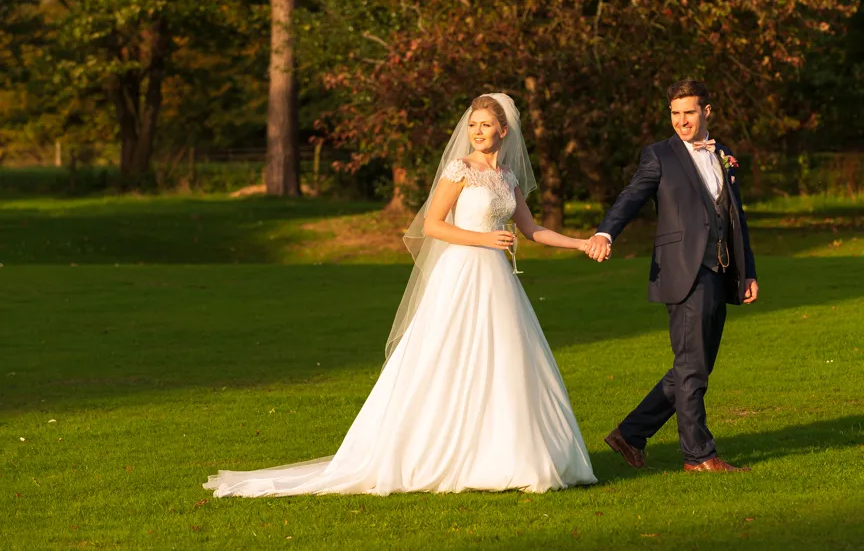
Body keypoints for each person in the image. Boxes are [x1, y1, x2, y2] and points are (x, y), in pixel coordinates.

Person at [203, 93, 598, 496]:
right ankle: (430, 449)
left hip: (498, 280)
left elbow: (531, 229)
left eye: (485, 125)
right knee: (445, 359)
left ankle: (507, 453)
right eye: (473, 125)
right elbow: (431, 225)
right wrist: (482, 238)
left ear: (504, 130)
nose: (477, 132)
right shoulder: (459, 169)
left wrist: (581, 242)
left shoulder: (508, 176)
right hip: (462, 274)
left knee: (508, 359)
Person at [585, 80, 759, 473]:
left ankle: (630, 434)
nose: (682, 121)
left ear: (707, 112)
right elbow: (631, 196)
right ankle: (699, 456)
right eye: (675, 113)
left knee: (694, 364)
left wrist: (748, 272)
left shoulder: (723, 154)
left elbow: (736, 218)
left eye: (689, 112)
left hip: (721, 269)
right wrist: (605, 231)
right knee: (693, 367)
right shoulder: (659, 155)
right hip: (682, 270)